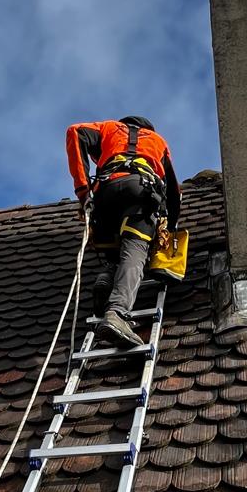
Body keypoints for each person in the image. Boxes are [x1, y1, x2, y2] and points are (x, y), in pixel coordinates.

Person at [66, 115, 181, 349]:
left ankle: (106, 280)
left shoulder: (109, 129)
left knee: (113, 246)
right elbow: (174, 194)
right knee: (136, 249)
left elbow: (75, 131)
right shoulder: (158, 141)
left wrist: (83, 191)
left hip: (106, 194)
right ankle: (117, 314)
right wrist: (169, 229)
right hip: (140, 191)